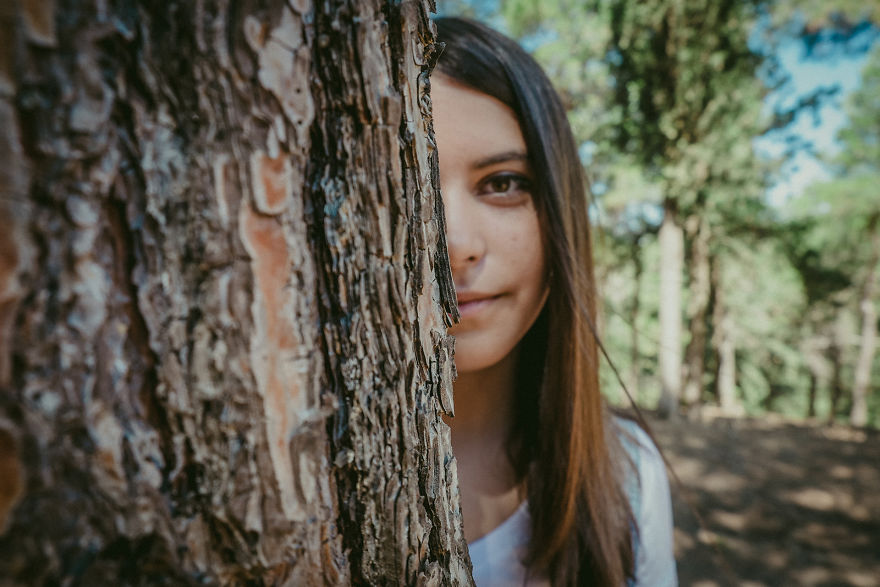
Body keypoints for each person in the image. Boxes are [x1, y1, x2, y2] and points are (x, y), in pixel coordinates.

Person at [431, 17, 678, 586]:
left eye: (502, 183)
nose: (457, 246)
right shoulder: (288, 474)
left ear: (558, 214)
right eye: (407, 182)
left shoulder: (628, 475)